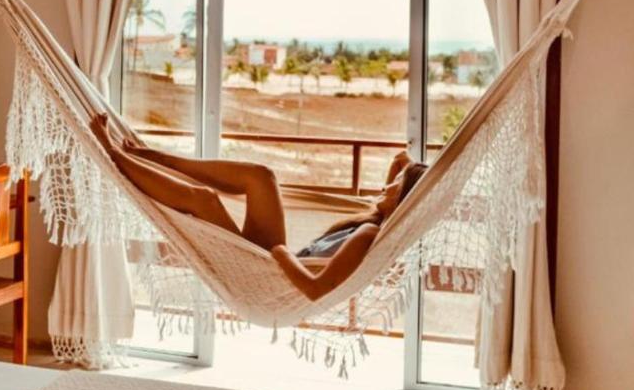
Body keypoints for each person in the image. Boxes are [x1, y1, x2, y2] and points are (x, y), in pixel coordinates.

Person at [89, 114, 422, 301]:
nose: (388, 186)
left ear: (403, 201)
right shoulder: (380, 217)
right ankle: (155, 157)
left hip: (270, 281)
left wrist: (279, 253)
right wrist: (421, 179)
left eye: (396, 188)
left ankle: (115, 156)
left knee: (203, 199)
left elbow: (315, 289)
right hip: (272, 265)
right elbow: (400, 161)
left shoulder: (368, 232)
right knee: (262, 177)